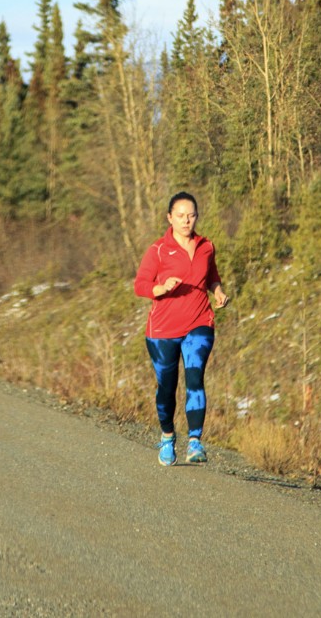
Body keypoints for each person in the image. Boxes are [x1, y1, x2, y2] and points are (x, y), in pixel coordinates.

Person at [132, 191, 228, 465]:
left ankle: (195, 441)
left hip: (199, 322)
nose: (187, 221)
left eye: (192, 215)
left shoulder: (206, 246)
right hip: (162, 330)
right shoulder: (158, 250)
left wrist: (218, 292)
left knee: (195, 376)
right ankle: (167, 437)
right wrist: (160, 288)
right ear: (170, 218)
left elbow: (212, 276)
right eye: (181, 216)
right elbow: (140, 285)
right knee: (167, 387)